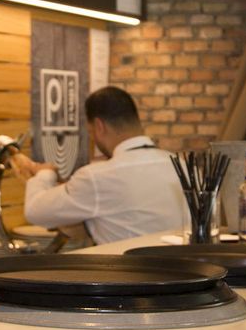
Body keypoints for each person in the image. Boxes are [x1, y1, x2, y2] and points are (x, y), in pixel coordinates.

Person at [14, 86, 188, 244]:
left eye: (90, 132)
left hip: (129, 276)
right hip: (183, 274)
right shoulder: (182, 165)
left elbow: (35, 211)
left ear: (99, 126)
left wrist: (45, 173)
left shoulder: (97, 177)